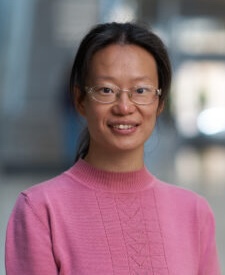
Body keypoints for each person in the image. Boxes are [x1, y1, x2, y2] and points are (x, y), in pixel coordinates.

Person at [5, 22, 221, 275]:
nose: (124, 106)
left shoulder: (194, 213)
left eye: (141, 90)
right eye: (106, 90)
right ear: (80, 100)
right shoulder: (40, 210)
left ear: (160, 102)